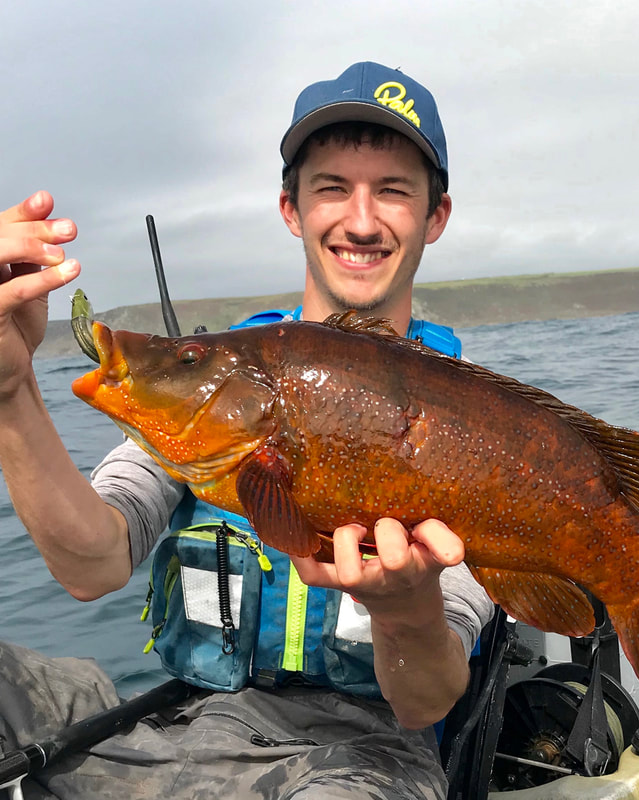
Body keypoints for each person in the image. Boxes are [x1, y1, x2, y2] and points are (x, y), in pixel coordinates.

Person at [0, 62, 494, 799]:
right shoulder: (223, 381)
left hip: (363, 761)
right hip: (172, 727)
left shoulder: (477, 427)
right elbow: (91, 563)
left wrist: (407, 609)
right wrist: (10, 390)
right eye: (332, 187)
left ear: (436, 216)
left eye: (393, 189)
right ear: (291, 208)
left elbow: (427, 701)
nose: (362, 220)